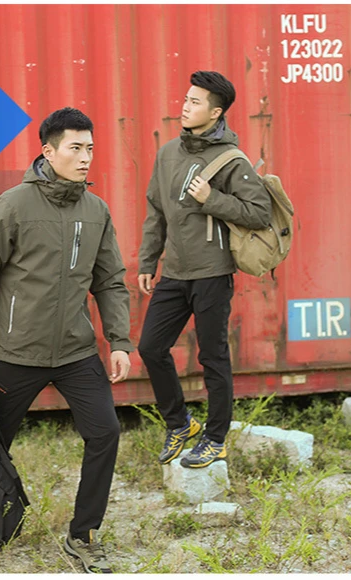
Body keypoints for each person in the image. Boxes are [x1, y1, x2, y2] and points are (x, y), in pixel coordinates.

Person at [0, 107, 133, 574]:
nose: (86, 157)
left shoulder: (96, 210)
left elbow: (110, 281)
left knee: (105, 433)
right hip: (17, 353)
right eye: (76, 148)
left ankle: (83, 534)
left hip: (76, 351)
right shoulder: (13, 206)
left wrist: (120, 340)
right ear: (48, 151)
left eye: (90, 148)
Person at [137, 71, 271, 468]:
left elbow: (259, 213)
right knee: (150, 347)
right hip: (174, 273)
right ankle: (180, 423)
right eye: (186, 98)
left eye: (195, 102)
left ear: (215, 113)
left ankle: (215, 439)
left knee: (213, 357)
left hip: (212, 273)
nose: (185, 106)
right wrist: (148, 260)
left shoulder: (231, 159)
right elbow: (156, 212)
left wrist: (212, 198)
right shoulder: (168, 154)